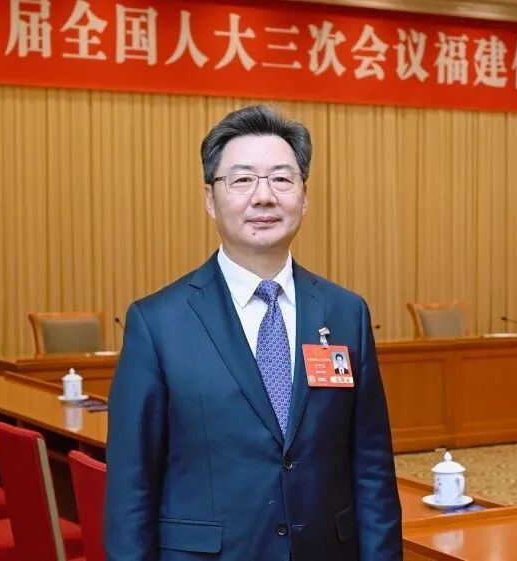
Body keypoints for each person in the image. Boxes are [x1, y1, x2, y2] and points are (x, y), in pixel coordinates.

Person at [105, 105, 402, 561]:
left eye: (281, 179)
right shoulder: (157, 323)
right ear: (210, 199)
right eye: (242, 180)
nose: (264, 197)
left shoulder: (346, 314)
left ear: (304, 196)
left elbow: (372, 466)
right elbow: (131, 483)